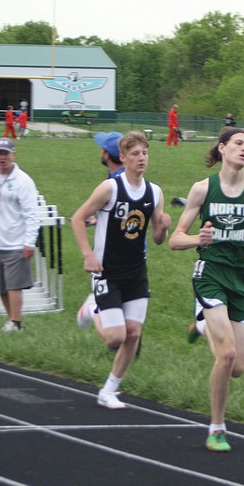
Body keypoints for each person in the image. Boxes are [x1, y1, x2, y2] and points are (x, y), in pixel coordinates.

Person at [169, 127, 244, 452]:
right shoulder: (203, 189)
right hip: (210, 274)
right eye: (238, 143)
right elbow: (176, 239)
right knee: (227, 353)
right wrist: (196, 239)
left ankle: (201, 323)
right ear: (222, 148)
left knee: (237, 367)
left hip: (241, 281)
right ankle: (216, 427)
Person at [71, 131, 172, 409]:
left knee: (134, 334)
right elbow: (78, 218)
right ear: (124, 158)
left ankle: (109, 389)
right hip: (107, 270)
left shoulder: (155, 192)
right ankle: (92, 311)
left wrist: (163, 226)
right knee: (115, 337)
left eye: (145, 153)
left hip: (136, 271)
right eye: (136, 154)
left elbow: (157, 239)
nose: (142, 159)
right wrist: (87, 255)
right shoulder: (110, 189)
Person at [0, 137, 40, 333]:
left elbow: (32, 214)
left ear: (14, 155)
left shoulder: (23, 181)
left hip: (15, 241)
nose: (3, 157)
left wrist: (29, 243)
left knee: (14, 285)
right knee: (0, 286)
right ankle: (11, 320)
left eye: (6, 154)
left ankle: (16, 322)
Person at [75, 131, 125, 334]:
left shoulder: (119, 181)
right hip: (112, 257)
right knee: (114, 334)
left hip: (130, 254)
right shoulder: (112, 181)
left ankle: (91, 307)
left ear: (106, 154)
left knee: (127, 326)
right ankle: (94, 307)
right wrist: (98, 219)